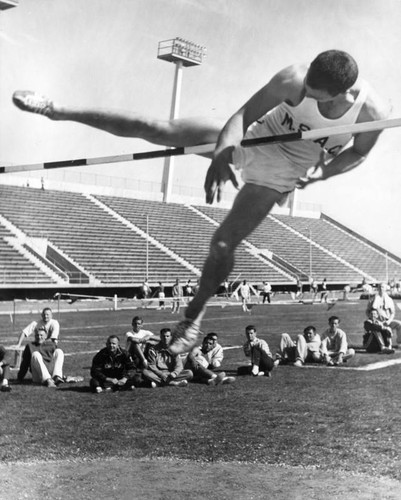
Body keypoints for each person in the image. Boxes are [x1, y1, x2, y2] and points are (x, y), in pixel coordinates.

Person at [13, 50, 389, 354]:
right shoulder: (294, 77)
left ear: (341, 92)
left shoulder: (371, 113)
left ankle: (191, 317)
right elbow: (242, 115)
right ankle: (55, 108)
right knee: (158, 128)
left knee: (222, 244)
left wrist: (323, 173)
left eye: (316, 94)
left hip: (281, 173)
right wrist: (225, 151)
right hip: (255, 136)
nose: (307, 94)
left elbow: (358, 153)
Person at [363, 282, 401, 353]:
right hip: (376, 322)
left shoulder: (389, 300)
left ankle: (399, 343)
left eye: (383, 287)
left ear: (386, 288)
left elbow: (392, 313)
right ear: (377, 288)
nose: (381, 288)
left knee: (399, 324)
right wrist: (372, 319)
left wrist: (389, 321)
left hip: (387, 321)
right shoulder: (372, 299)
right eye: (380, 287)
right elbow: (367, 311)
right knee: (381, 328)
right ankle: (385, 347)